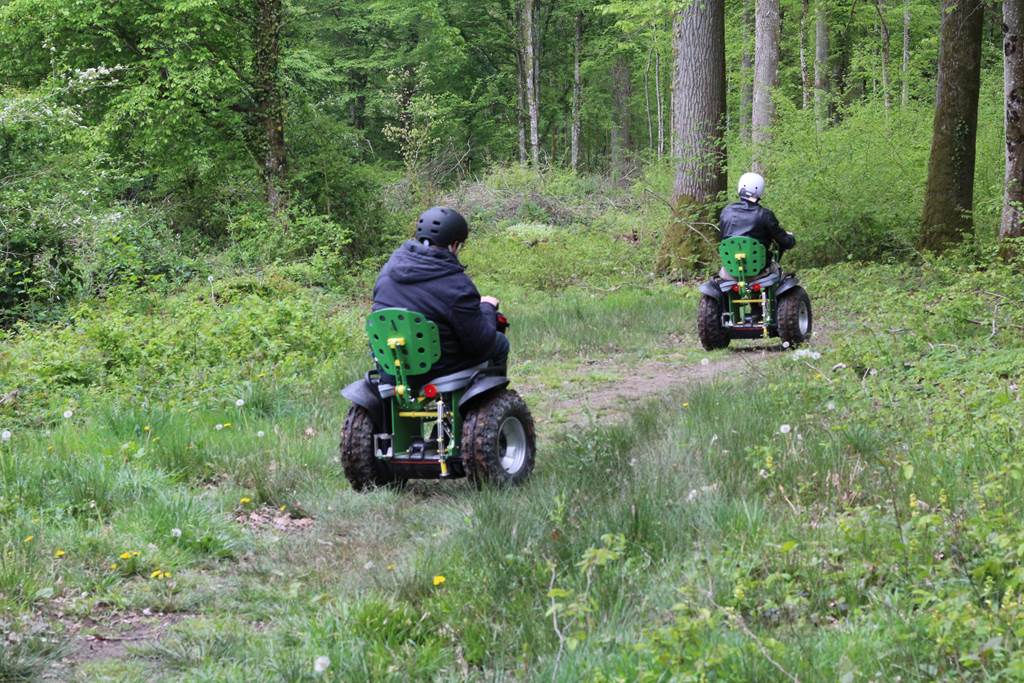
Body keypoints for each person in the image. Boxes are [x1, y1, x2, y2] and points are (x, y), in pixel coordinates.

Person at [372, 206, 508, 379]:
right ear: (453, 245)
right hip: (439, 368)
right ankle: (494, 401)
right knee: (500, 343)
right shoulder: (456, 284)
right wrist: (487, 307)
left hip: (392, 367)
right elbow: (480, 343)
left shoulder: (386, 272)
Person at [718, 172, 795, 277]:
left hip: (731, 268)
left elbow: (723, 238)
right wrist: (790, 238)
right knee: (779, 274)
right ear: (759, 190)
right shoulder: (765, 214)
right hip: (760, 269)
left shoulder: (726, 212)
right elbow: (785, 242)